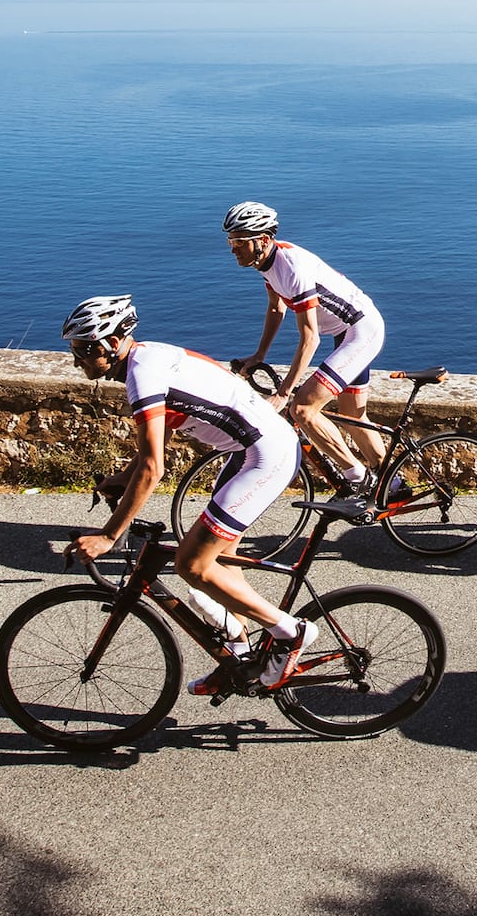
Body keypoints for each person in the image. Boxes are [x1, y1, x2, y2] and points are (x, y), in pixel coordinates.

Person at [59, 295, 317, 694]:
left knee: (192, 564)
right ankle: (237, 653)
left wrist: (110, 535)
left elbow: (153, 468)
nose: (77, 360)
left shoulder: (141, 375)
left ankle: (291, 633)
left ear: (109, 344)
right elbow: (157, 441)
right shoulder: (146, 358)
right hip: (245, 449)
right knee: (215, 561)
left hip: (266, 454)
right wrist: (121, 478)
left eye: (80, 350)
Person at [221, 201, 389, 515]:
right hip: (346, 331)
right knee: (353, 416)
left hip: (360, 330)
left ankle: (359, 480)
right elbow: (276, 308)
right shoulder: (267, 265)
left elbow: (309, 337)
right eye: (231, 241)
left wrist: (284, 393)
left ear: (264, 240)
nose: (234, 249)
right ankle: (392, 485)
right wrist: (259, 355)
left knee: (303, 408)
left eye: (240, 242)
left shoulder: (290, 266)